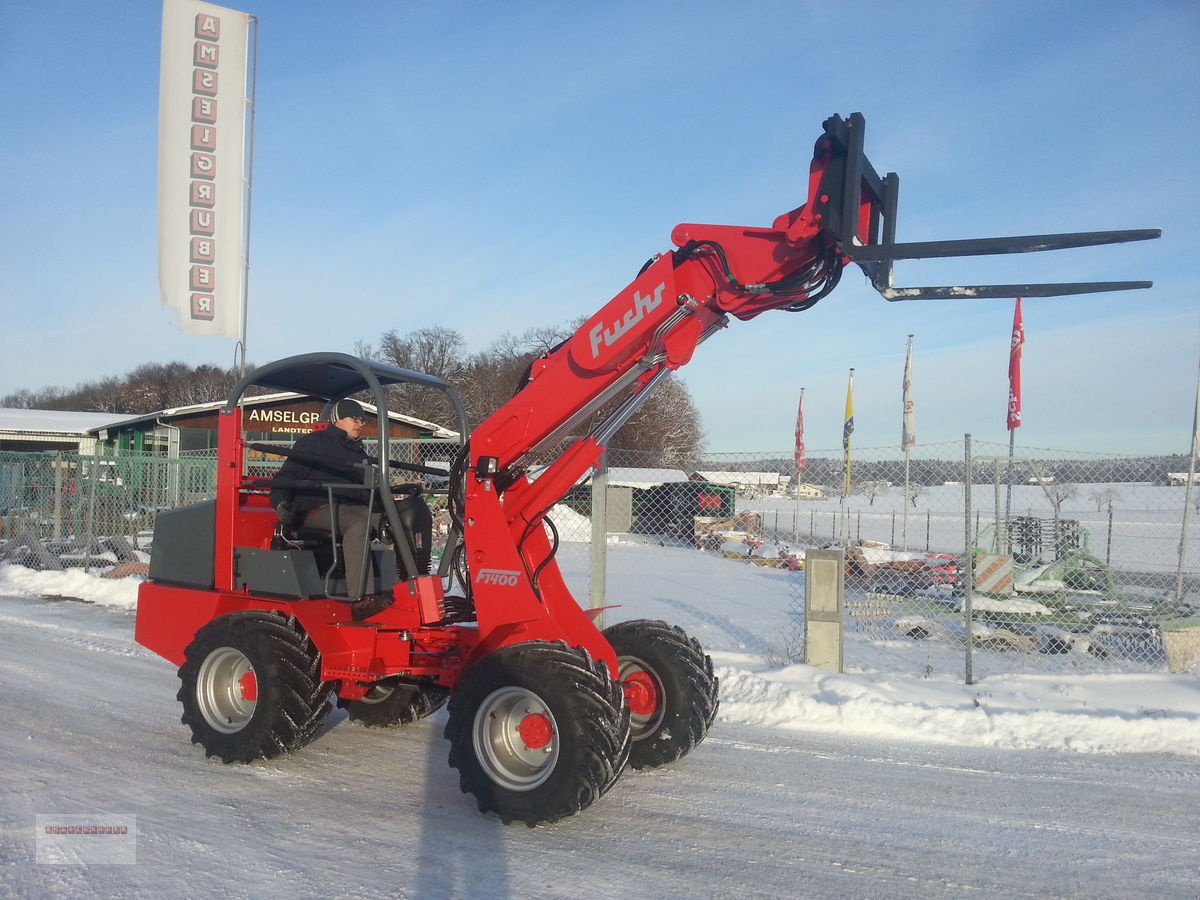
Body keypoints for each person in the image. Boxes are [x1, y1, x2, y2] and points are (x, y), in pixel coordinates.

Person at [269, 398, 388, 615]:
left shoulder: (358, 452)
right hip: (315, 509)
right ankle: (361, 598)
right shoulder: (313, 444)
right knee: (358, 523)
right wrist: (280, 503)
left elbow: (365, 491)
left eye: (362, 419)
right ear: (338, 420)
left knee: (396, 520)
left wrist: (387, 512)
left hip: (351, 508)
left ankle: (411, 584)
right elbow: (286, 476)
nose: (360, 423)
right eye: (355, 418)